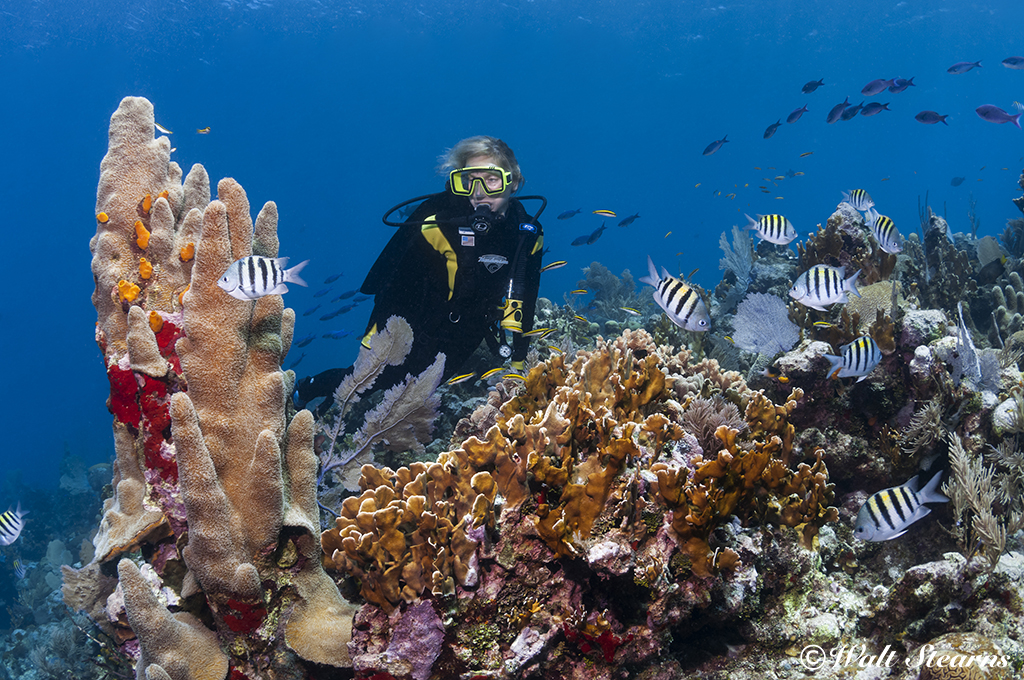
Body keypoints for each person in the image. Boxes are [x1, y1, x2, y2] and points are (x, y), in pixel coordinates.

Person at [295, 136, 545, 407]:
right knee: (366, 383)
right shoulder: (437, 220)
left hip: (469, 332)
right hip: (416, 323)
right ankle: (307, 390)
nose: (479, 192)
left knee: (419, 395)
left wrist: (519, 361)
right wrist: (371, 342)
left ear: (514, 181)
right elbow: (393, 284)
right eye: (469, 180)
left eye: (491, 179)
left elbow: (527, 296)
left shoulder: (527, 233)